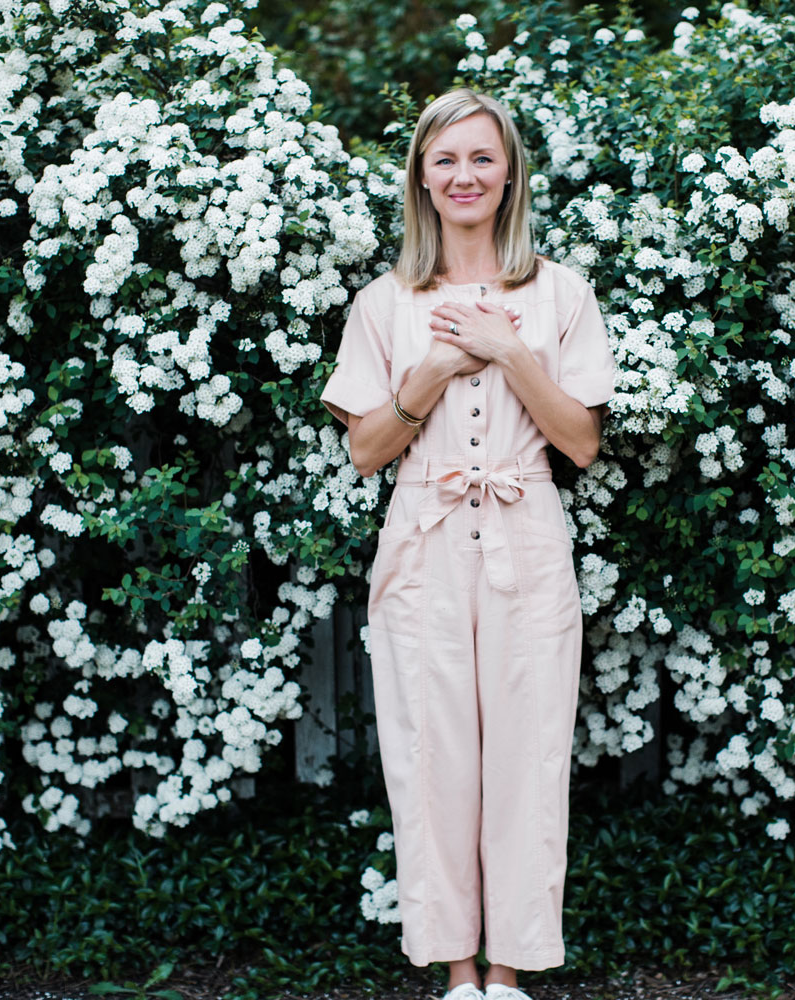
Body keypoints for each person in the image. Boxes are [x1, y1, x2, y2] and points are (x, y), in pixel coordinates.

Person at [320, 88, 617, 1000]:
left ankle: (510, 972)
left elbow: (582, 443)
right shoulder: (384, 302)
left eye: (482, 158)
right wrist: (439, 366)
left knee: (528, 758)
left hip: (526, 535)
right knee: (433, 757)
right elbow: (365, 452)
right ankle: (457, 972)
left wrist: (510, 350)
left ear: (511, 172)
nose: (464, 176)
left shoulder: (561, 292)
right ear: (421, 174)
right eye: (445, 159)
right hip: (424, 539)